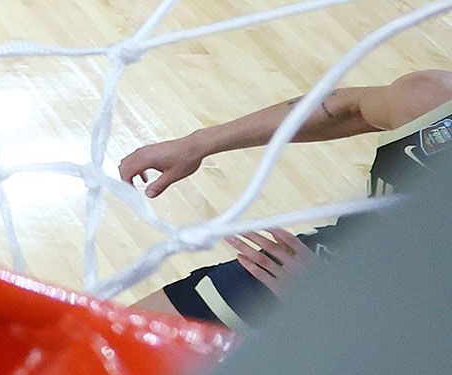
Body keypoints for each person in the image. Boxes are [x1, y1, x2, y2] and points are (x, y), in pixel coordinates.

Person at [122, 69, 450, 325]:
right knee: (93, 355)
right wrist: (199, 143)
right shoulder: (432, 100)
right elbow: (352, 110)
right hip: (303, 272)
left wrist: (338, 303)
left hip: (392, 341)